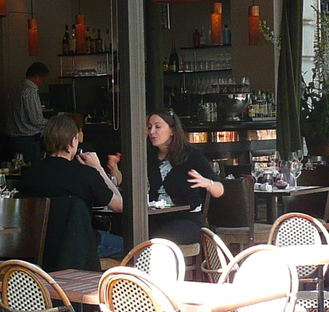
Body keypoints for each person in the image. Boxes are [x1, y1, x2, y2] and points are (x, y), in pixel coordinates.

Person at [16, 112, 125, 258]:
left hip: (37, 247)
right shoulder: (85, 174)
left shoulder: (29, 175)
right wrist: (98, 168)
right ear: (73, 142)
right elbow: (119, 206)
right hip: (81, 245)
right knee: (133, 245)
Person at [144, 109, 224, 245]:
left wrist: (208, 184)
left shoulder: (192, 156)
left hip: (187, 220)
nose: (152, 132)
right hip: (156, 217)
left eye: (157, 127)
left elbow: (220, 190)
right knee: (131, 234)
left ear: (172, 130)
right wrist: (114, 169)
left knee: (157, 239)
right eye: (149, 127)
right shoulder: (148, 158)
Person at [1, 61, 50, 162]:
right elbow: (35, 119)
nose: (42, 82)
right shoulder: (30, 91)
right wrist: (52, 123)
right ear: (37, 76)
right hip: (27, 140)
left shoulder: (15, 89)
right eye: (43, 79)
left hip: (12, 138)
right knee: (31, 170)